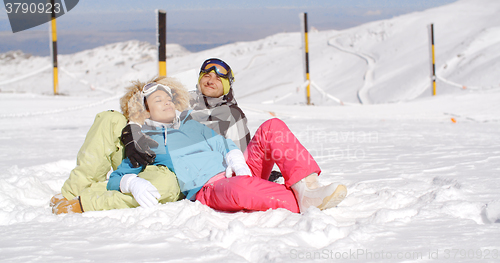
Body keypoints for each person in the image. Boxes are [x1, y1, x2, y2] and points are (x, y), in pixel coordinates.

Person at [54, 78, 347, 214]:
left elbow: (222, 142)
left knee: (272, 127)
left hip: (238, 170)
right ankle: (301, 202)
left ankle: (306, 186)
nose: (167, 102)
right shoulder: (147, 141)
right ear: (145, 110)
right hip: (211, 188)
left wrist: (234, 156)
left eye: (169, 98)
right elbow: (119, 175)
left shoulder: (191, 124)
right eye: (158, 100)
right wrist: (131, 183)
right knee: (241, 190)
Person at [50, 58, 253, 212]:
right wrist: (132, 131)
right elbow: (143, 109)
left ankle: (88, 200)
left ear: (227, 85)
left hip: (177, 171)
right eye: (206, 76)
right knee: (110, 119)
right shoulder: (182, 98)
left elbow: (240, 156)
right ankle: (73, 191)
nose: (211, 81)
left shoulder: (233, 117)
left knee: (156, 186)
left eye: (219, 78)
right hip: (142, 154)